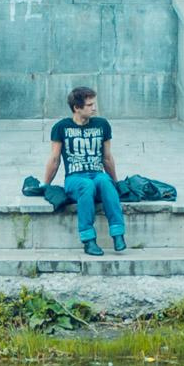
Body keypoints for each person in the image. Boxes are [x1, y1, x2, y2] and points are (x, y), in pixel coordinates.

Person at [44, 83, 126, 258]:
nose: (94, 108)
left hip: (97, 175)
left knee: (105, 182)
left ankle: (118, 233)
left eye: (93, 104)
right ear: (76, 107)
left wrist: (116, 182)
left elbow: (107, 158)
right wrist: (46, 185)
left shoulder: (102, 125)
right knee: (86, 185)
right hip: (75, 178)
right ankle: (88, 240)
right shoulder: (61, 127)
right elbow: (55, 159)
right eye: (89, 105)